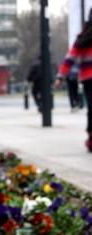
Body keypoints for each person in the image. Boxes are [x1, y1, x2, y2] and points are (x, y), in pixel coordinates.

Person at [56, 9, 92, 152]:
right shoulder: (83, 39)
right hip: (89, 78)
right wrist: (60, 76)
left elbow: (70, 59)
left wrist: (60, 76)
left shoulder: (82, 38)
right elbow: (70, 58)